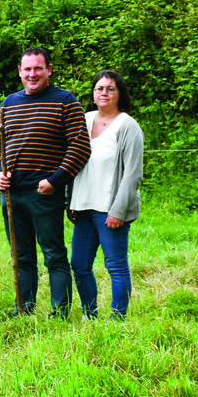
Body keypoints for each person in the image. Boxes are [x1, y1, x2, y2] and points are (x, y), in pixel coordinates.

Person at [0, 47, 91, 317]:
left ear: (49, 70)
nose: (32, 74)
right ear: (20, 72)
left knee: (54, 256)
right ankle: (24, 310)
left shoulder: (65, 101)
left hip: (44, 194)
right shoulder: (8, 104)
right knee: (21, 257)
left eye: (38, 68)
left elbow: (80, 147)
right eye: (27, 69)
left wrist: (56, 181)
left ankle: (60, 312)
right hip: (11, 196)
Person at [67, 70, 144, 319]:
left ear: (120, 93)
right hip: (84, 207)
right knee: (79, 265)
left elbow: (133, 174)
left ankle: (118, 319)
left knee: (116, 266)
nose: (104, 93)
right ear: (93, 92)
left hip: (110, 210)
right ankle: (90, 315)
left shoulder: (128, 126)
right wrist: (70, 201)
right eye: (99, 88)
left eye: (111, 88)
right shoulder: (85, 120)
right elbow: (71, 161)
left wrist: (118, 210)